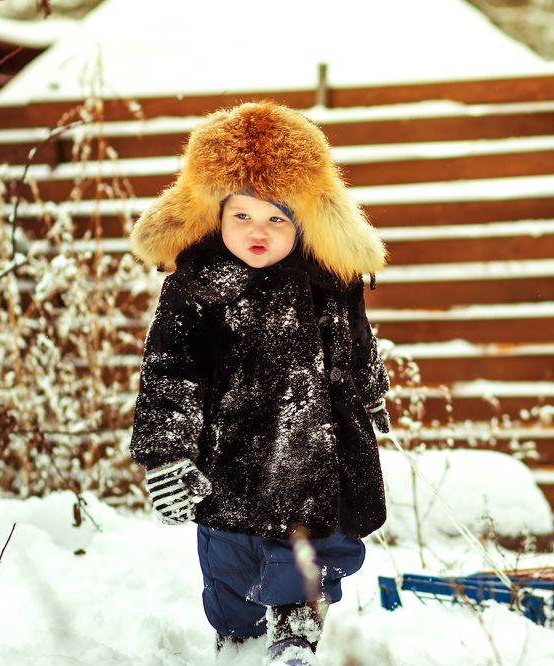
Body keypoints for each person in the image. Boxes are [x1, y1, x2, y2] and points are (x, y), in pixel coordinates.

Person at [128, 101, 392, 666]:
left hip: (316, 449)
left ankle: (295, 636)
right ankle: (238, 639)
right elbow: (168, 375)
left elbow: (354, 343)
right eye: (241, 216)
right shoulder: (195, 289)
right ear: (212, 216)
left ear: (306, 221)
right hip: (232, 457)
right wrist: (167, 454)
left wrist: (368, 395)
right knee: (230, 565)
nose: (258, 231)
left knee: (312, 551)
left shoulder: (329, 279)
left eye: (277, 219)